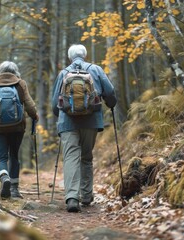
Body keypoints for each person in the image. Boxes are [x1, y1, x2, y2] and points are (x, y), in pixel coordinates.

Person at [51, 44, 117, 212]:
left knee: (71, 157)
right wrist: (111, 104)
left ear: (70, 57)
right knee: (86, 157)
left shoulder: (64, 73)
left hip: (68, 122)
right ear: (85, 55)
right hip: (91, 121)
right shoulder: (96, 69)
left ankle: (72, 198)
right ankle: (86, 196)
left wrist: (60, 117)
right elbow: (109, 93)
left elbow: (54, 104)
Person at [0, 61, 38, 199]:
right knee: (14, 156)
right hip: (17, 126)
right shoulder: (20, 83)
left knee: (1, 157)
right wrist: (35, 116)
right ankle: (14, 190)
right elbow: (29, 105)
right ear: (15, 71)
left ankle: (4, 177)